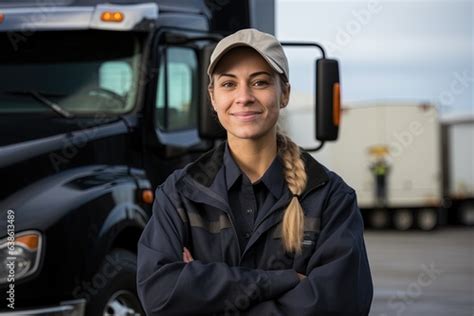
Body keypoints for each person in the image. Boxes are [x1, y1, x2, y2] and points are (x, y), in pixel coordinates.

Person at [137, 28, 373, 316]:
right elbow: (160, 295)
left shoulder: (329, 197)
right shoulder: (179, 194)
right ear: (212, 98)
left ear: (284, 93)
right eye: (228, 84)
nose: (244, 97)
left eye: (260, 82)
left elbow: (340, 305)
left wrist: (199, 288)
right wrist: (281, 281)